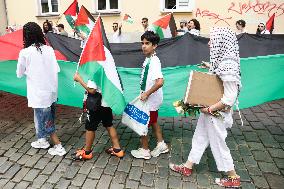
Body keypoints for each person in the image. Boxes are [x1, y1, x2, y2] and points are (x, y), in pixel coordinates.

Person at [170, 27, 242, 188]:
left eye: (212, 40)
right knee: (200, 136)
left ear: (221, 42)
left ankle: (233, 176)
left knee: (218, 143)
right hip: (213, 111)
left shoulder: (228, 64)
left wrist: (209, 109)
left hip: (216, 112)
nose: (209, 43)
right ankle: (188, 167)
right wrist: (209, 65)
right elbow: (221, 74)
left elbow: (229, 98)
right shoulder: (226, 61)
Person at [16, 22, 66, 156]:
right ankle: (42, 139)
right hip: (51, 89)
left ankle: (58, 146)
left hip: (38, 92)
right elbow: (57, 69)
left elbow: (19, 73)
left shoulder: (25, 53)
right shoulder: (49, 50)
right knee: (44, 116)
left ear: (26, 36)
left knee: (44, 118)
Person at [131, 31, 169, 159]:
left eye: (147, 43)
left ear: (155, 46)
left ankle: (145, 150)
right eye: (142, 43)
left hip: (150, 100)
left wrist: (146, 93)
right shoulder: (148, 59)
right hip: (151, 100)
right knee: (153, 121)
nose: (143, 46)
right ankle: (161, 144)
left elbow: (160, 82)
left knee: (142, 123)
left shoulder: (154, 61)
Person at [73, 72, 124, 160]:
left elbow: (92, 90)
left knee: (90, 127)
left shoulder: (95, 69)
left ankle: (87, 152)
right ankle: (117, 149)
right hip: (107, 102)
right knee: (109, 124)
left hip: (96, 104)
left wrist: (79, 79)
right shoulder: (109, 66)